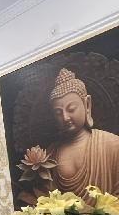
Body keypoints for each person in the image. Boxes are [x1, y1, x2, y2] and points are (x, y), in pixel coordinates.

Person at [48, 68, 119, 197]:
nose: (65, 117)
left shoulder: (112, 145)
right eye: (58, 113)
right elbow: (45, 198)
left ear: (87, 105)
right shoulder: (51, 154)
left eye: (71, 109)